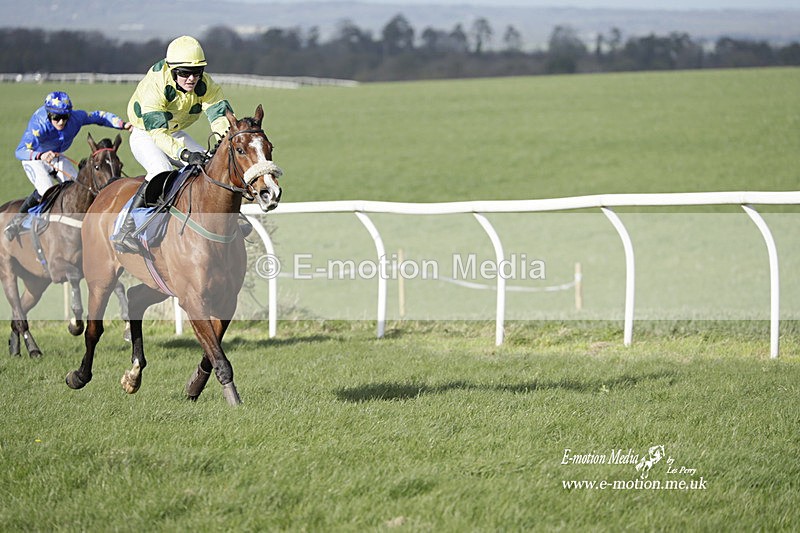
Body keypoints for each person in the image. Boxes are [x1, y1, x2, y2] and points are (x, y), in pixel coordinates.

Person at [112, 35, 234, 253]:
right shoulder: (155, 84)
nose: (191, 79)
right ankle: (126, 229)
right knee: (161, 169)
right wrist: (185, 155)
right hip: (146, 133)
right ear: (171, 69)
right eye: (184, 73)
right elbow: (157, 133)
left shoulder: (207, 86)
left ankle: (226, 218)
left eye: (196, 72)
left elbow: (220, 119)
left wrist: (224, 145)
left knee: (210, 164)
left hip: (174, 132)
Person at [5, 91, 132, 240]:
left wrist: (122, 124)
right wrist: (40, 155)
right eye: (56, 117)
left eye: (64, 117)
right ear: (48, 115)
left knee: (76, 187)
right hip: (34, 158)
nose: (61, 122)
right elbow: (20, 151)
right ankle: (17, 221)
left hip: (55, 156)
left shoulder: (76, 118)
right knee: (46, 189)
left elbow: (99, 116)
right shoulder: (38, 125)